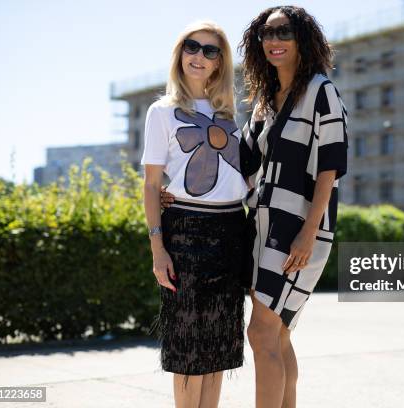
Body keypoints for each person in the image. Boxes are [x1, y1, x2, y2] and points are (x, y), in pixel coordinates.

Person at [161, 6, 348, 407]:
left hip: (298, 228)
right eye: (266, 34)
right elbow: (236, 162)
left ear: (303, 40)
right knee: (277, 334)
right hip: (261, 227)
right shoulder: (265, 101)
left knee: (261, 333)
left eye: (284, 32)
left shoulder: (320, 89)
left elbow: (331, 165)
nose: (274, 41)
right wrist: (171, 189)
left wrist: (308, 230)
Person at [142, 20, 247, 408]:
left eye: (210, 50)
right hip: (184, 230)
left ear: (220, 63)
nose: (199, 56)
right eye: (192, 46)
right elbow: (152, 185)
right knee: (187, 347)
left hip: (233, 229)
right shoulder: (162, 112)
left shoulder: (231, 116)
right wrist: (158, 249)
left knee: (220, 344)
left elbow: (245, 178)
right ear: (179, 53)